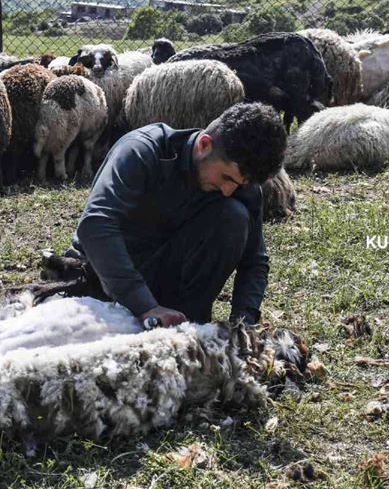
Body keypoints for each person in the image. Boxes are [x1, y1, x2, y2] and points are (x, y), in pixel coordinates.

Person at [68, 102, 288, 328]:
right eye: (226, 178)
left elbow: (254, 261)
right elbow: (95, 224)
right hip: (108, 275)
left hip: (165, 276)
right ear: (204, 145)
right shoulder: (142, 150)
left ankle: (187, 325)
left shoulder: (243, 188)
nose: (228, 191)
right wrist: (145, 305)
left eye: (241, 184)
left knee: (233, 215)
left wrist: (244, 322)